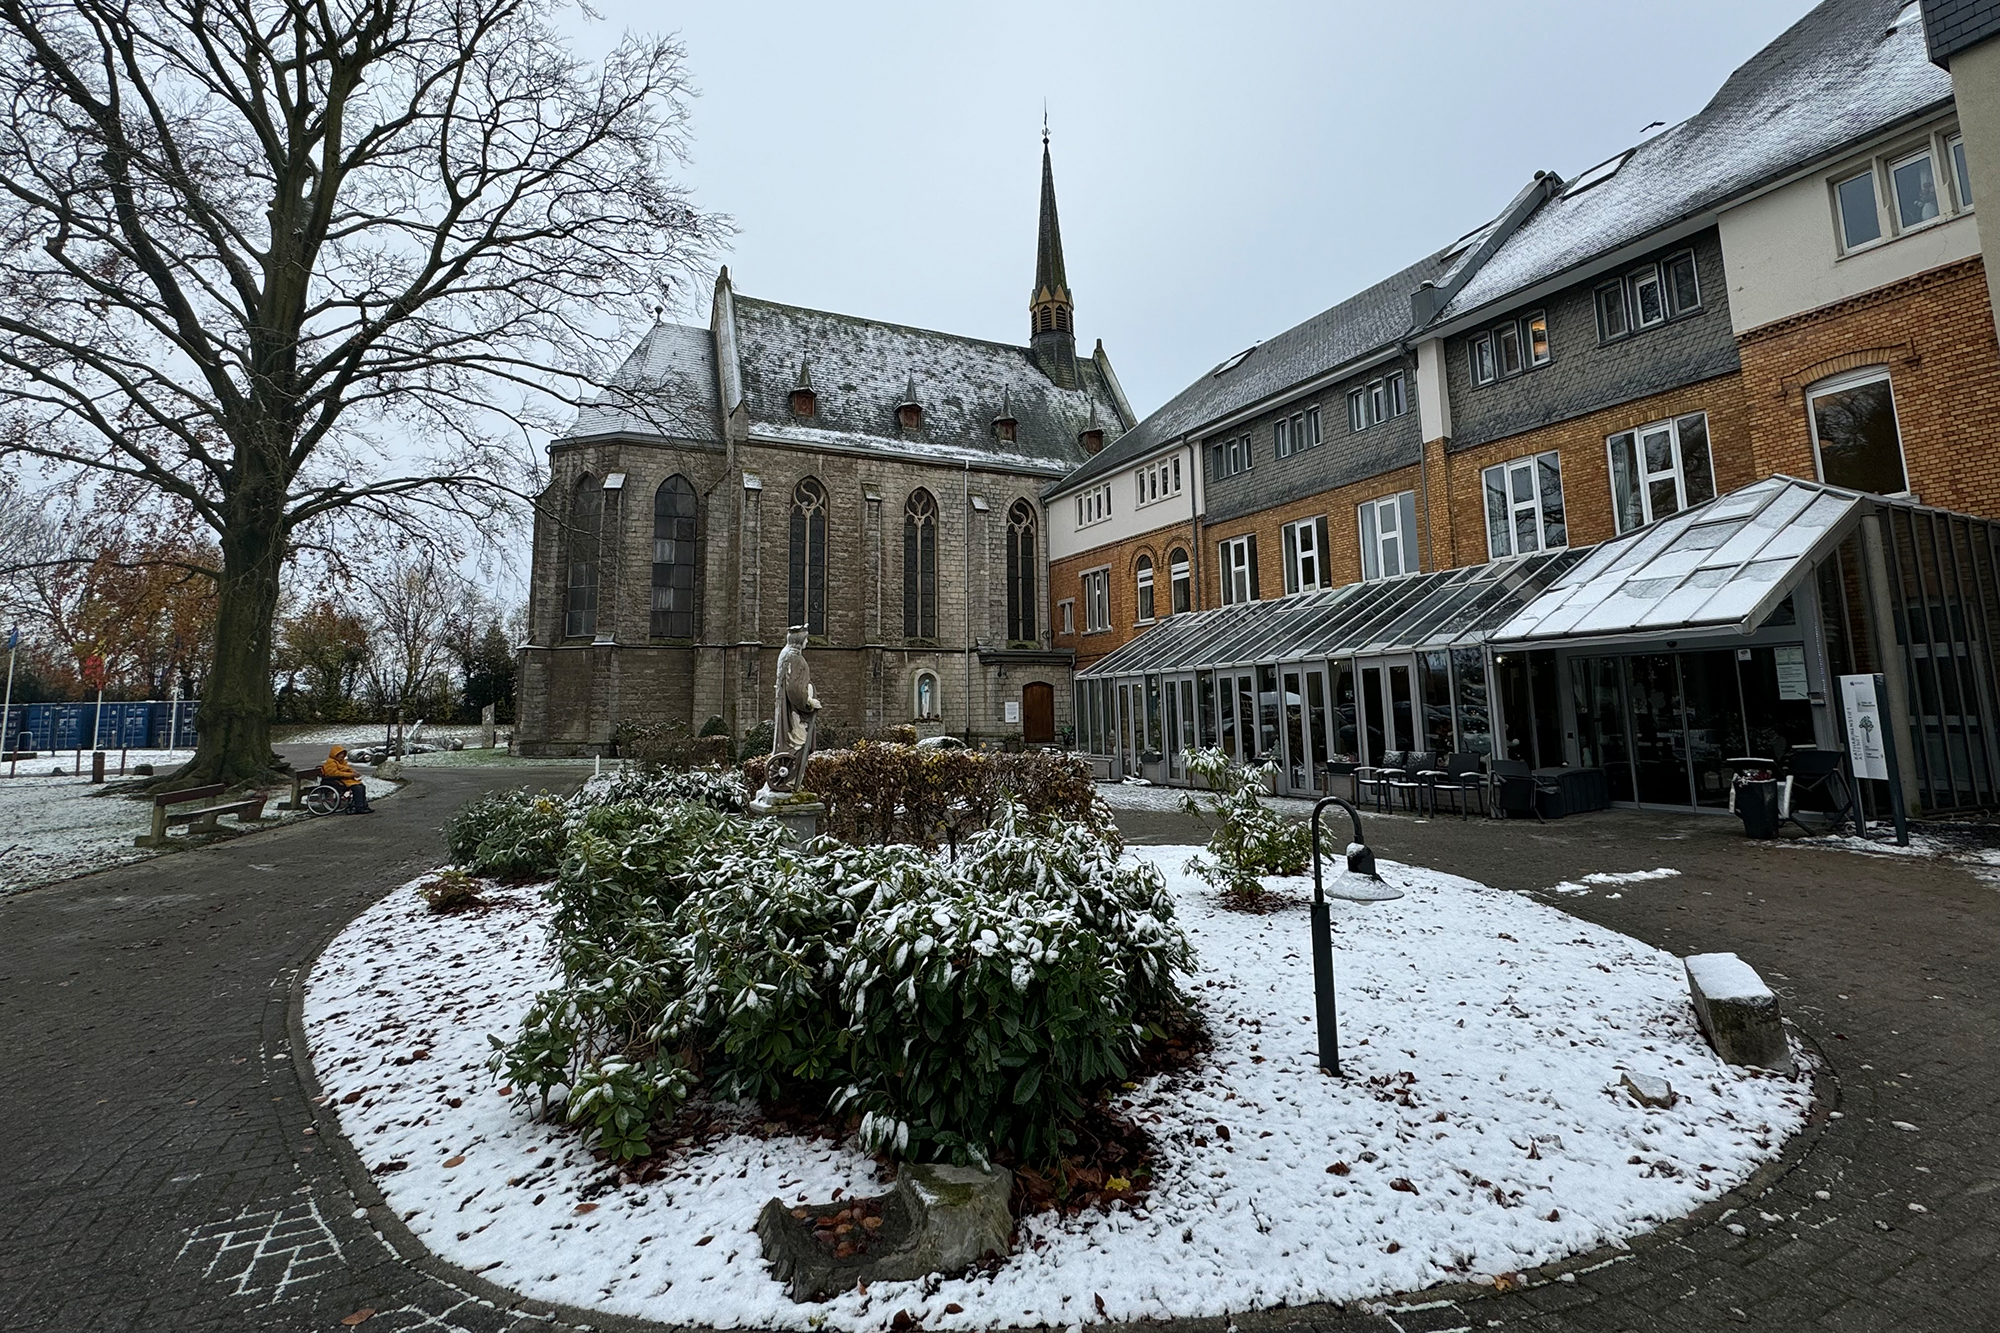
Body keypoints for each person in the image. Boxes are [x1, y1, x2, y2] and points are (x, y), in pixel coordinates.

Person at [320, 744, 372, 814]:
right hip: (336, 780)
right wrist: (351, 775)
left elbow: (347, 769)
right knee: (357, 788)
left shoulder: (342, 762)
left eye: (343, 754)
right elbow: (334, 773)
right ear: (335, 754)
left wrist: (354, 772)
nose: (342, 755)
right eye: (340, 754)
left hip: (344, 779)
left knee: (361, 786)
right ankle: (359, 807)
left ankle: (363, 806)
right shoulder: (331, 762)